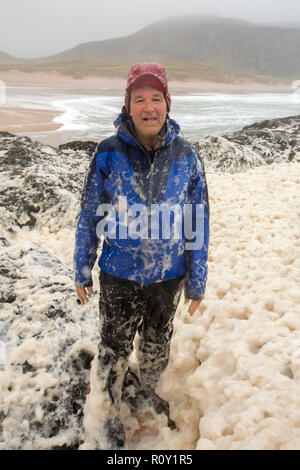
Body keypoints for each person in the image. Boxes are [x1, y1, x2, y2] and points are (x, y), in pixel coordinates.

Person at [73, 63, 210, 449]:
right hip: (119, 275)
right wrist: (83, 269)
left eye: (156, 99)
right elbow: (90, 214)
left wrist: (196, 282)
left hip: (169, 278)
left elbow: (197, 222)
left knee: (156, 344)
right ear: (128, 105)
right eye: (139, 99)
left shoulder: (188, 155)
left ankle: (149, 392)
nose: (148, 107)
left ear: (167, 103)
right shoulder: (107, 153)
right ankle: (104, 414)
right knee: (113, 346)